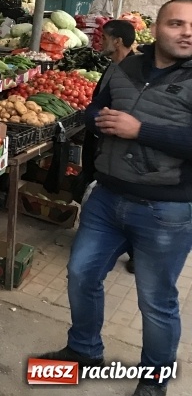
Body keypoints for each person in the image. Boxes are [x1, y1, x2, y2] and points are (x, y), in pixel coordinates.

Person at [41, 0, 192, 396]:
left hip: (166, 208)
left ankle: (154, 384)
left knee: (156, 302)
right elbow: (95, 108)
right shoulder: (124, 67)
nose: (187, 32)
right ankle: (84, 350)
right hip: (107, 197)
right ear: (156, 28)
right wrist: (100, 120)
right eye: (176, 24)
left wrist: (139, 130)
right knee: (80, 273)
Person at [80, 20, 136, 273]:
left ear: (117, 41)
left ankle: (134, 251)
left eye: (104, 37)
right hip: (100, 137)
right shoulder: (113, 66)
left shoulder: (134, 70)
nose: (100, 42)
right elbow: (97, 103)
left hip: (118, 146)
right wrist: (93, 117)